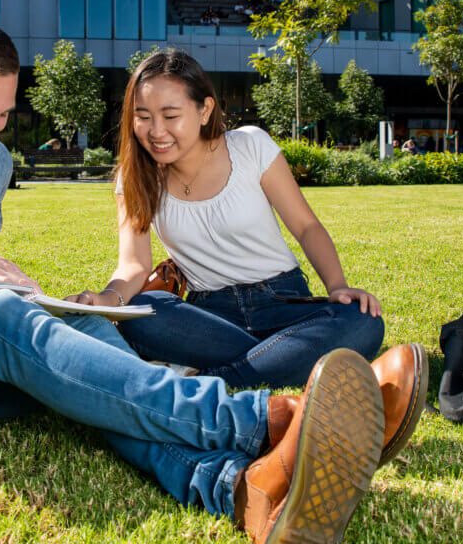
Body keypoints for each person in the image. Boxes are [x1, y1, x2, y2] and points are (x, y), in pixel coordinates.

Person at [0, 21, 425, 544]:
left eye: (4, 114)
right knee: (5, 318)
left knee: (90, 353)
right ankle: (267, 420)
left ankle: (245, 492)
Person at [69, 50, 403, 394]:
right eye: (143, 117)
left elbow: (306, 226)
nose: (156, 131)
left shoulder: (250, 146)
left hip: (283, 303)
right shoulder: (136, 176)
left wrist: (337, 287)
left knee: (363, 322)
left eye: (170, 116)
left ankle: (211, 379)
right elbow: (134, 265)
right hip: (210, 317)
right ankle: (285, 359)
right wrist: (107, 298)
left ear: (204, 110)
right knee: (144, 310)